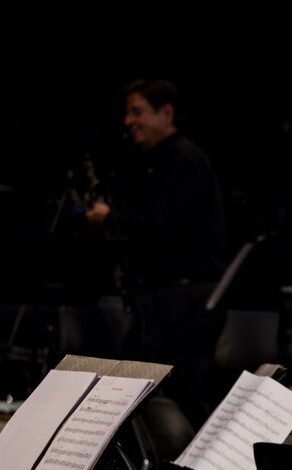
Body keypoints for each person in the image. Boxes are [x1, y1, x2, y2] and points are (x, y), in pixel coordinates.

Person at [85, 78, 228, 424]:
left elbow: (166, 226)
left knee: (183, 394)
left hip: (186, 298)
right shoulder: (155, 161)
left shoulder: (184, 159)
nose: (128, 121)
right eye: (127, 113)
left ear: (166, 114)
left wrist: (110, 217)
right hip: (165, 298)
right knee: (144, 389)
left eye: (138, 112)